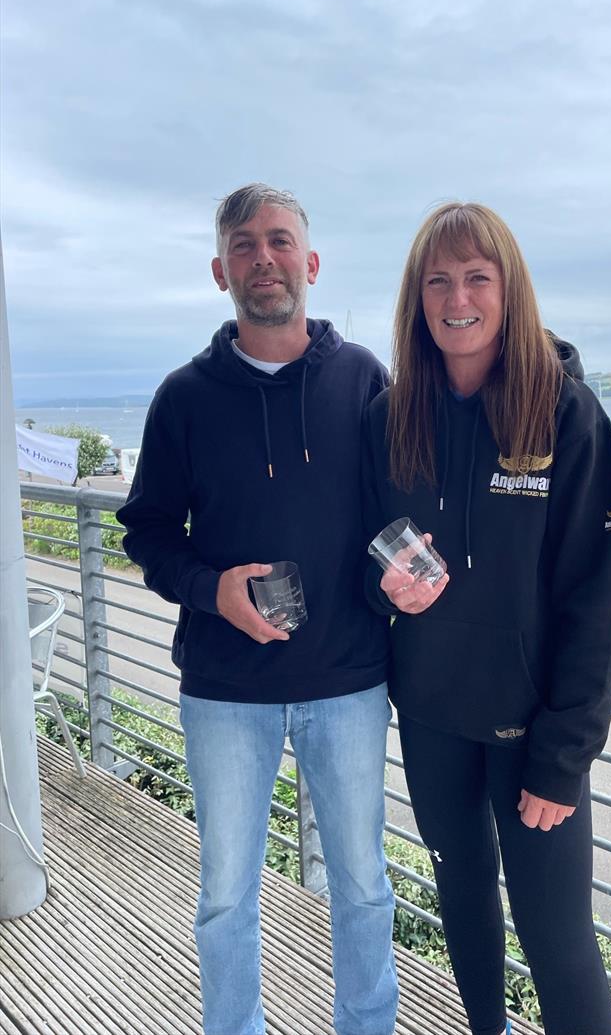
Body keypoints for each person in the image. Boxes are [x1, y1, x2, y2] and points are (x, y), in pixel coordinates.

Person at [117, 184, 397, 1035]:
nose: (263, 258)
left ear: (310, 263)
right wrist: (213, 592)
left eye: (279, 241)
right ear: (219, 270)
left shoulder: (363, 379)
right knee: (225, 896)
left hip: (349, 680)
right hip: (224, 689)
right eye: (243, 245)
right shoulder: (183, 397)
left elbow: (395, 512)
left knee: (362, 886)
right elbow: (148, 531)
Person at [363, 203, 611, 1035]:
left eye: (478, 276)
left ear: (510, 293)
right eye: (438, 280)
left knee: (557, 937)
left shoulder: (566, 416)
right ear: (417, 298)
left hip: (532, 735)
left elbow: (592, 595)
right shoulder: (389, 417)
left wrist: (565, 754)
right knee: (465, 905)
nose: (457, 296)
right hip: (433, 717)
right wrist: (385, 591)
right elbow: (363, 556)